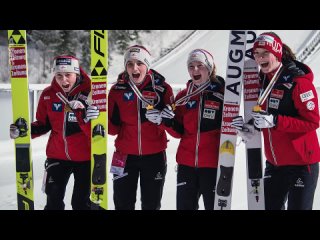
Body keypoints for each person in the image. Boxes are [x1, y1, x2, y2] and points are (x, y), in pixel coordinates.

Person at [232, 32, 320, 210]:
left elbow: (313, 122)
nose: (259, 58)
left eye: (265, 53)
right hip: (274, 164)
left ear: (277, 53)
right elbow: (264, 117)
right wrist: (249, 127)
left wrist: (275, 121)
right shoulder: (262, 80)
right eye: (256, 53)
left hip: (302, 165)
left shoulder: (299, 83)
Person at [10, 55, 100, 210]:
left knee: (80, 203)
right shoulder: (48, 94)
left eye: (68, 75)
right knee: (53, 201)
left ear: (76, 74)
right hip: (57, 156)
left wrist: (85, 116)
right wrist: (24, 130)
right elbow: (43, 124)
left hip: (85, 157)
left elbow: (98, 131)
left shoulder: (92, 93)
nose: (63, 80)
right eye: (59, 75)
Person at [108, 45, 174, 210]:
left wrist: (162, 120)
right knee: (122, 205)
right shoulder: (117, 90)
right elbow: (112, 129)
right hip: (124, 156)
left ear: (147, 65)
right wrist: (97, 113)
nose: (134, 68)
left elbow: (174, 126)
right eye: (130, 64)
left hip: (154, 156)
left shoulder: (162, 89)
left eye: (139, 63)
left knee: (151, 205)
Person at [160, 49, 225, 210]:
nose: (195, 70)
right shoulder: (183, 96)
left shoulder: (223, 94)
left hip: (212, 165)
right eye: (191, 66)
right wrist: (167, 122)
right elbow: (179, 132)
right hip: (186, 165)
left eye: (199, 65)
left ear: (209, 68)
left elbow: (231, 128)